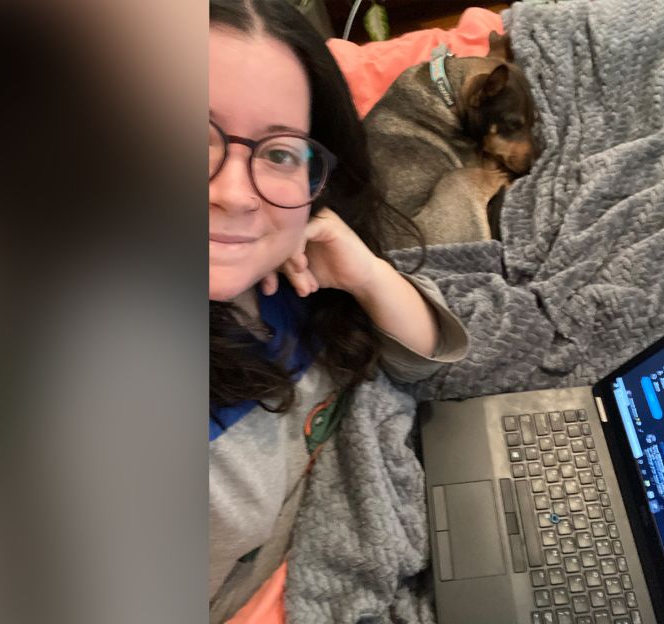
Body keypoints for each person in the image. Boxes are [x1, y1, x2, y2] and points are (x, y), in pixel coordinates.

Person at [208, 0, 469, 621]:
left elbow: (423, 364)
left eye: (278, 153)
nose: (234, 193)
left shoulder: (289, 276)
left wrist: (368, 276)